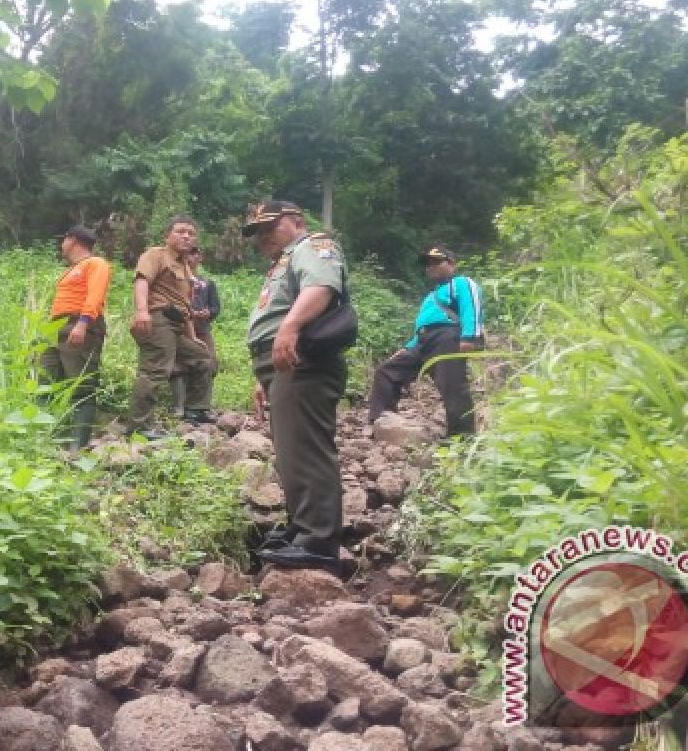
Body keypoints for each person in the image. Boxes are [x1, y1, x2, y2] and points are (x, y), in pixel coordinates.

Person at [244, 201, 349, 571]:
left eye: (269, 228)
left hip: (304, 359)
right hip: (283, 365)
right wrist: (264, 376)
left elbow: (321, 287)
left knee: (306, 448)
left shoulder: (313, 246)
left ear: (296, 222)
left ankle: (319, 539)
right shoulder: (284, 262)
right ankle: (302, 526)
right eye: (257, 232)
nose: (262, 238)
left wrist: (289, 328)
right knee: (290, 450)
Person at [367, 245, 483, 437]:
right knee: (387, 371)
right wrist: (408, 347)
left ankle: (462, 437)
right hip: (423, 341)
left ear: (451, 264)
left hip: (447, 337)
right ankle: (381, 421)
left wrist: (469, 336)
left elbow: (471, 308)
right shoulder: (431, 295)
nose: (430, 267)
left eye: (436, 262)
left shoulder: (462, 283)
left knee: (452, 384)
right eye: (428, 264)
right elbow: (423, 327)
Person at [128, 217, 214, 438]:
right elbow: (142, 281)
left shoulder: (186, 268)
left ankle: (195, 411)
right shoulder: (156, 255)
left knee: (202, 358)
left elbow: (184, 307)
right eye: (180, 231)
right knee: (155, 370)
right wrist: (141, 311)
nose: (186, 236)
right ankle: (139, 425)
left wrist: (192, 337)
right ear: (167, 235)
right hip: (157, 319)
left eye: (191, 233)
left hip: (177, 325)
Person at [41, 225, 111, 450]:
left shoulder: (95, 263)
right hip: (57, 327)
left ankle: (77, 447)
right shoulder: (71, 270)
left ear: (72, 241)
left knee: (81, 384)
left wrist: (82, 324)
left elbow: (95, 295)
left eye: (64, 240)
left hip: (79, 324)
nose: (61, 245)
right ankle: (50, 439)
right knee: (48, 381)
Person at [171, 247, 220, 415]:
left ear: (200, 257)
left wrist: (208, 313)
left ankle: (200, 405)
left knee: (210, 363)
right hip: (181, 328)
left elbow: (215, 307)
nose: (191, 257)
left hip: (202, 329)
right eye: (188, 254)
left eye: (195, 253)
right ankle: (179, 406)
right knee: (178, 366)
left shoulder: (207, 282)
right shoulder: (176, 279)